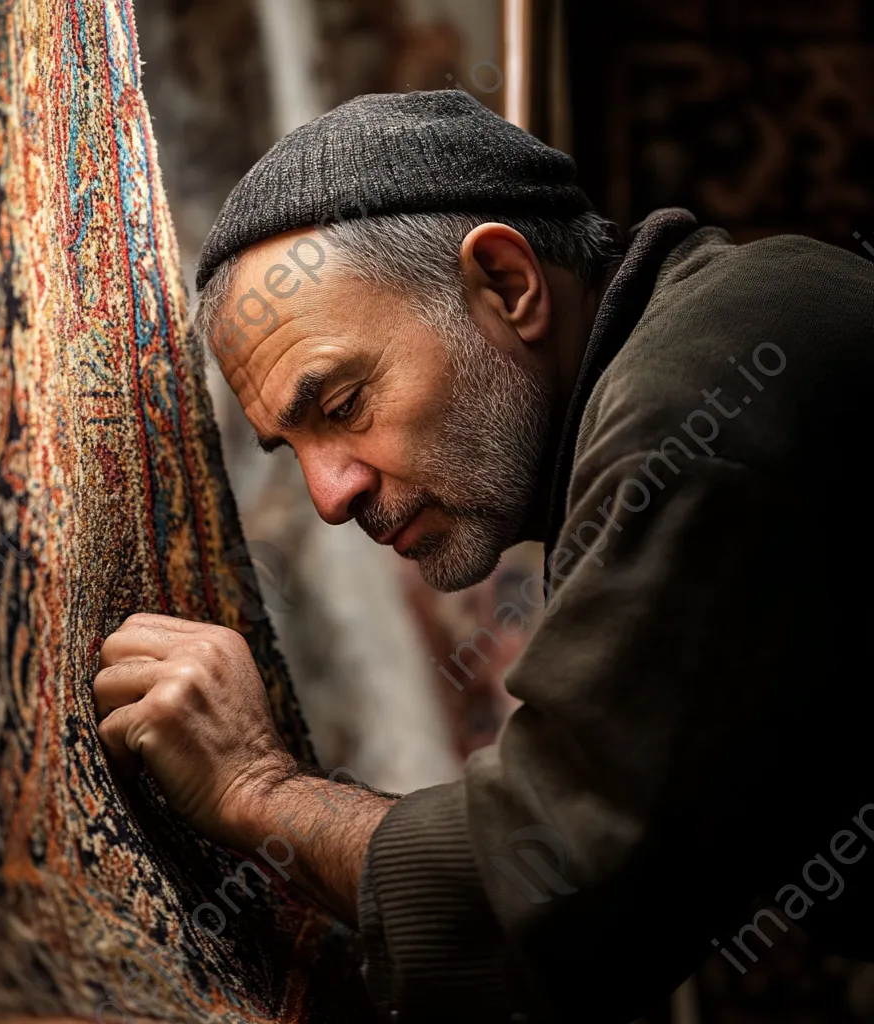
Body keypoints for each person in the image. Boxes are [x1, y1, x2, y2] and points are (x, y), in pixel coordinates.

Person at [92, 90, 874, 1021]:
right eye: (289, 448)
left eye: (340, 406)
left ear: (506, 283)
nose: (330, 497)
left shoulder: (701, 408)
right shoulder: (713, 336)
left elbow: (552, 899)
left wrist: (253, 786)